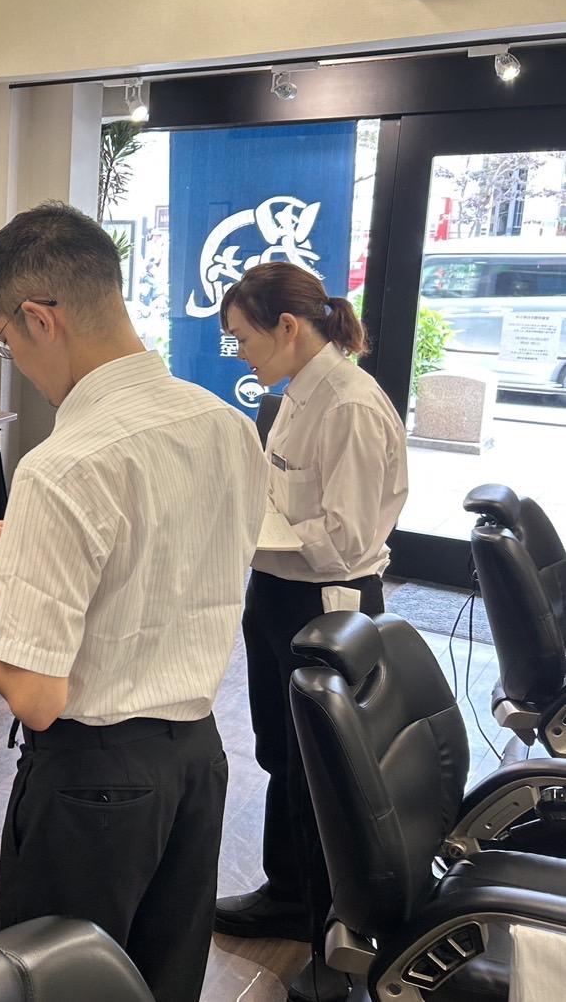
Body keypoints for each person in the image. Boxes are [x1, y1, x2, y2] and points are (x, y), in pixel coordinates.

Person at [0, 202, 267, 1002]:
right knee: (162, 981)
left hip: (93, 783)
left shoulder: (65, 464)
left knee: (59, 986)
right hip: (195, 761)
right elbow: (163, 562)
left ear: (38, 319)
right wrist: (33, 553)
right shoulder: (226, 425)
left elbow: (35, 696)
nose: (14, 360)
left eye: (5, 341)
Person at [213, 260, 407, 1002]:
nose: (240, 354)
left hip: (325, 601)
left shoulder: (350, 405)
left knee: (322, 769)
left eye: (243, 338)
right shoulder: (296, 392)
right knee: (279, 751)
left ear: (287, 327)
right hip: (277, 591)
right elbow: (281, 496)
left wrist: (246, 537)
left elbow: (343, 540)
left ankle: (332, 931)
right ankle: (287, 892)